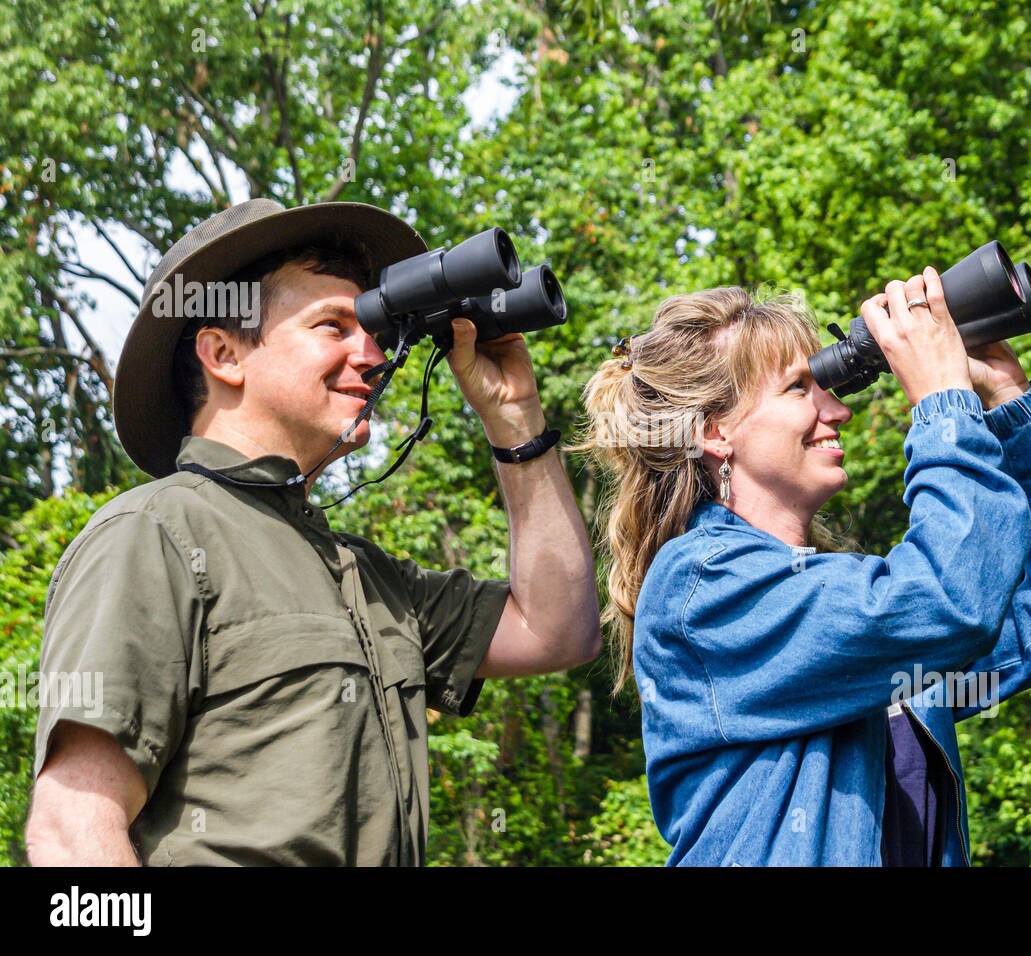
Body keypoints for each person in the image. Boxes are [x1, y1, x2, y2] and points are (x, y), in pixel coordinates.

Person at [26, 198, 601, 865]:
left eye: (375, 332)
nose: (374, 357)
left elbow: (559, 629)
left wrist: (516, 418)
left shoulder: (369, 576)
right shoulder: (151, 533)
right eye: (333, 326)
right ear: (223, 354)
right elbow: (72, 830)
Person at [576, 269, 1031, 865]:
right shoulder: (704, 585)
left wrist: (1008, 399)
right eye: (799, 388)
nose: (837, 410)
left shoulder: (855, 608)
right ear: (715, 432)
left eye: (827, 382)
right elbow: (950, 604)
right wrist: (943, 403)